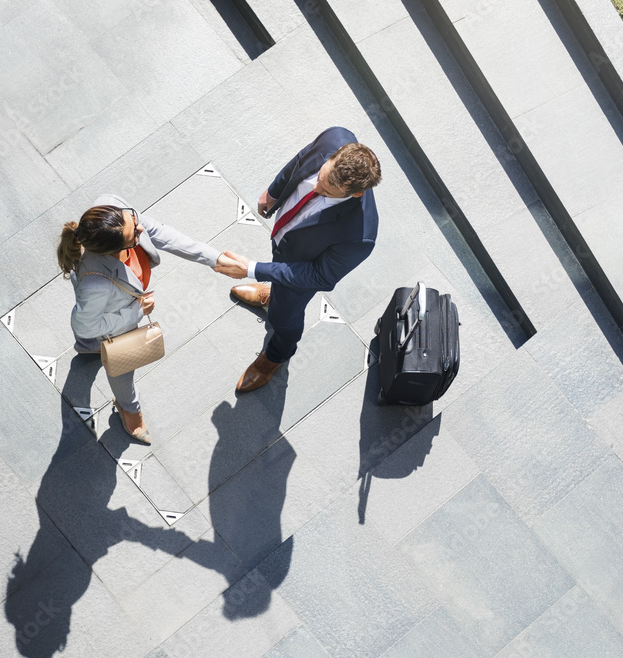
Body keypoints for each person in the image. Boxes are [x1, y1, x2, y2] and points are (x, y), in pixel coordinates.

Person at [57, 194, 246, 443]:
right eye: (134, 235)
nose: (141, 229)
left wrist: (215, 259)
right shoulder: (95, 285)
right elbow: (84, 323)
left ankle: (87, 347)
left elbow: (163, 234)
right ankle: (129, 408)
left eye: (133, 220)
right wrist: (137, 311)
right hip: (115, 314)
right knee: (122, 366)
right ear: (114, 250)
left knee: (90, 322)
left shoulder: (113, 207)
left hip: (101, 297)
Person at [216, 127, 381, 392]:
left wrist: (252, 269)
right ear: (335, 154)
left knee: (285, 319)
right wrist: (273, 192)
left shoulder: (359, 236)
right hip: (286, 243)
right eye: (321, 176)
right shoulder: (335, 137)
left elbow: (320, 276)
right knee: (278, 285)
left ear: (356, 194)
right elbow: (300, 160)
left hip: (299, 273)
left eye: (326, 190)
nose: (315, 187)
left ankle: (276, 356)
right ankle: (272, 294)